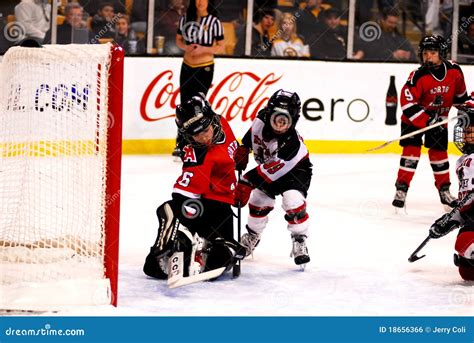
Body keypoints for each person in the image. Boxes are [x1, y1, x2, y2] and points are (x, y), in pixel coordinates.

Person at [143, 94, 245, 280]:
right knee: (153, 268)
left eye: (205, 129)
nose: (204, 137)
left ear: (212, 118)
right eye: (196, 134)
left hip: (223, 205)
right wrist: (185, 218)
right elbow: (185, 194)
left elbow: (232, 148)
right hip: (204, 206)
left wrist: (240, 155)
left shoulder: (223, 123)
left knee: (219, 263)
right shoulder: (198, 155)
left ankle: (192, 243)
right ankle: (173, 238)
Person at [392, 35, 474, 209]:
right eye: (425, 53)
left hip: (440, 121)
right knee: (411, 154)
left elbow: (460, 98)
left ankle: (444, 191)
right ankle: (401, 189)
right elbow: (408, 104)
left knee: (439, 155)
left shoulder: (454, 71)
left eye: (433, 53)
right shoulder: (417, 76)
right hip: (413, 121)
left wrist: (467, 107)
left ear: (442, 53)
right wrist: (427, 120)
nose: (428, 57)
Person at [233, 89, 313, 267]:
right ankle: (253, 235)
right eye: (276, 117)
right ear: (268, 112)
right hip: (269, 166)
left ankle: (300, 239)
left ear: (294, 120)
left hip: (295, 172)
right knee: (258, 200)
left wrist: (246, 181)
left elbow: (268, 170)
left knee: (293, 201)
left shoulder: (291, 144)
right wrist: (245, 147)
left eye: (285, 120)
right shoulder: (261, 117)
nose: (279, 124)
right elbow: (254, 131)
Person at [173, 0, 225, 158]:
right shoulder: (185, 19)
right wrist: (186, 47)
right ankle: (181, 143)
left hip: (205, 66)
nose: (200, 2)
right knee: (184, 105)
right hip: (187, 65)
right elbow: (178, 40)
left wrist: (203, 49)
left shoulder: (214, 22)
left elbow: (221, 46)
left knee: (199, 105)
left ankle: (201, 141)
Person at [428, 108, 474, 281]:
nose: (465, 135)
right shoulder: (463, 161)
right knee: (467, 271)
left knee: (467, 243)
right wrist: (450, 221)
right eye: (465, 131)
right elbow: (467, 202)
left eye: (470, 131)